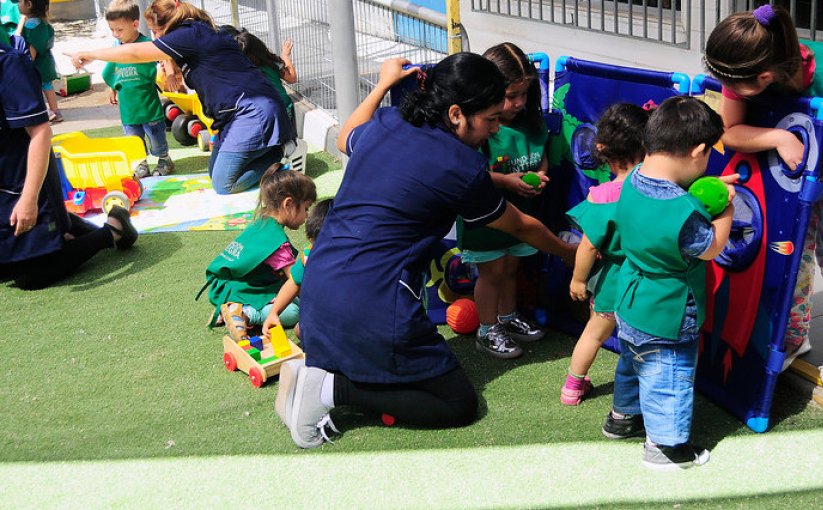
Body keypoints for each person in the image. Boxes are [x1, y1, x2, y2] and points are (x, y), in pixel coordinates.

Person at [273, 54, 576, 449]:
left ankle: (325, 373)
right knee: (455, 403)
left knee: (382, 361)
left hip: (320, 287)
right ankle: (330, 391)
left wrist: (382, 85)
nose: (496, 129)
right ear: (455, 114)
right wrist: (569, 254)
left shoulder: (389, 122)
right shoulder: (460, 166)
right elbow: (519, 225)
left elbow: (346, 134)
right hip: (373, 302)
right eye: (491, 119)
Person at [704, 4, 823, 386]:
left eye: (735, 87)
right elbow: (730, 129)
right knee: (792, 249)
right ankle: (794, 334)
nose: (729, 91)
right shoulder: (741, 69)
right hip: (791, 164)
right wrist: (778, 137)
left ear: (766, 76)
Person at [592, 97, 735, 470]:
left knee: (632, 363)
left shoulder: (632, 181)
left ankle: (621, 419)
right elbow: (711, 247)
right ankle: (666, 449)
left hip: (630, 301)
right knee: (667, 376)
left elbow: (660, 210)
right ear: (698, 151)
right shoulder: (684, 212)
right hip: (667, 312)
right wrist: (726, 210)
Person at [65, 0, 293, 195]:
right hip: (237, 113)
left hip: (252, 111)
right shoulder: (197, 31)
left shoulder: (189, 34)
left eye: (155, 31)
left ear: (168, 24)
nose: (154, 37)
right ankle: (274, 149)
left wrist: (91, 54)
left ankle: (283, 153)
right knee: (215, 172)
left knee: (224, 184)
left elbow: (135, 52)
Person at [1, 35, 138, 290]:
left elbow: (41, 132)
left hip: (26, 182)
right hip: (7, 186)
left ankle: (114, 229)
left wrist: (29, 199)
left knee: (29, 277)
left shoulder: (8, 64)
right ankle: (66, 229)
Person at [454, 42, 549, 359]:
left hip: (520, 215)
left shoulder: (529, 123)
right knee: (491, 273)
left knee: (510, 268)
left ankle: (507, 318)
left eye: (524, 94)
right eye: (511, 96)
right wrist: (507, 181)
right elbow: (468, 172)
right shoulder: (477, 127)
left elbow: (542, 156)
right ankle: (486, 328)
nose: (519, 103)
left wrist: (541, 175)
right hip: (486, 220)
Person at [561, 103, 649, 406]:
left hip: (609, 280)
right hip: (643, 278)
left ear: (602, 149)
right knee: (637, 339)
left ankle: (573, 386)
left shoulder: (599, 197)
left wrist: (577, 279)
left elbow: (588, 246)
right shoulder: (655, 191)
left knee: (594, 334)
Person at [199, 165, 316, 341]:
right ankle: (244, 313)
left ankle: (231, 309)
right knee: (294, 310)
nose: (307, 216)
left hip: (226, 286)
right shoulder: (276, 241)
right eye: (306, 209)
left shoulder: (261, 222)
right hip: (242, 289)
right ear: (289, 204)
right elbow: (297, 280)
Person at [263, 197, 333, 426]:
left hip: (339, 321)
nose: (313, 249)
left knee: (305, 330)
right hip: (322, 320)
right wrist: (274, 312)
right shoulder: (308, 255)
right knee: (302, 329)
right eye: (312, 244)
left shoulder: (321, 255)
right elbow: (293, 282)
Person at [102, 0, 174, 178]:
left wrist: (171, 74)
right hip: (128, 107)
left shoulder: (146, 44)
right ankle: (141, 164)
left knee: (156, 138)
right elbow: (112, 69)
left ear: (135, 24)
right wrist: (111, 87)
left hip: (148, 105)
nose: (115, 34)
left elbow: (164, 56)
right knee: (133, 140)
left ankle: (165, 159)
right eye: (112, 30)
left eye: (119, 30)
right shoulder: (115, 48)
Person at [220, 26, 297, 126]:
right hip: (284, 112)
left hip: (260, 117)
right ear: (260, 46)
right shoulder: (271, 62)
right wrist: (285, 56)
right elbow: (292, 78)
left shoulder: (239, 71)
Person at [17, 0, 60, 122]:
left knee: (34, 88)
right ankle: (55, 111)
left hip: (37, 64)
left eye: (20, 1)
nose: (18, 4)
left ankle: (44, 112)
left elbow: (32, 47)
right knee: (47, 86)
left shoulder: (31, 25)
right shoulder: (44, 22)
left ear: (29, 4)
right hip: (47, 61)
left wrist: (26, 64)